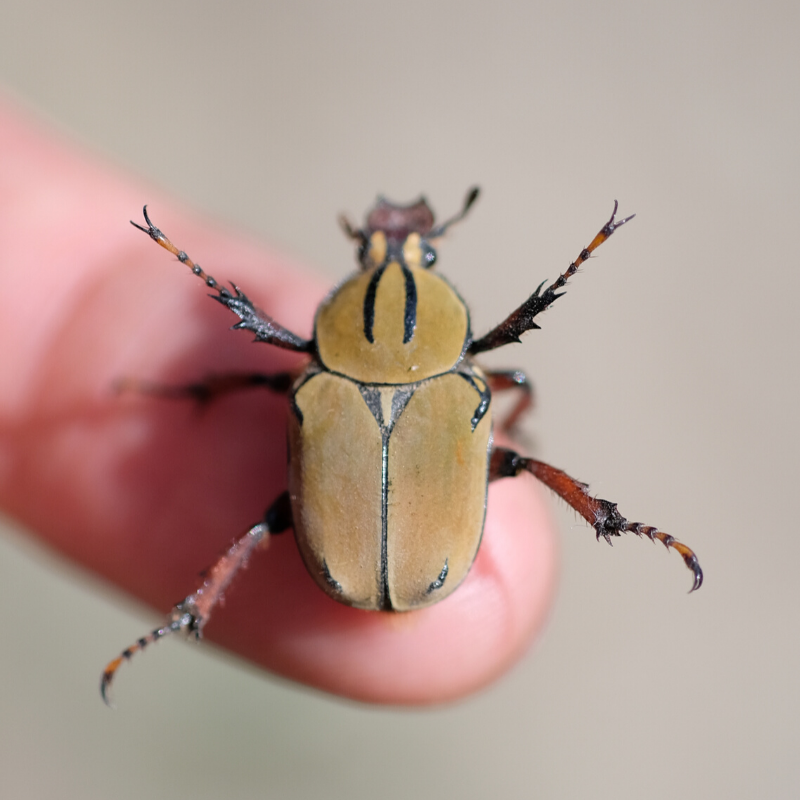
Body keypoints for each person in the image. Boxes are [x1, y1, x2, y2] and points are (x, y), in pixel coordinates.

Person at [0, 99, 557, 704]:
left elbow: (256, 331)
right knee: (518, 440)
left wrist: (197, 272)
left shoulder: (312, 381)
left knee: (266, 503)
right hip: (400, 560)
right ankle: (613, 519)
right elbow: (515, 374)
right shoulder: (463, 380)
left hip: (359, 560)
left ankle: (194, 610)